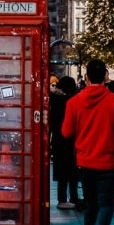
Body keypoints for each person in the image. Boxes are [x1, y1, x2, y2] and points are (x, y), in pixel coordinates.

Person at [62, 57, 114, 225]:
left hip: (85, 162)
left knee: (91, 206)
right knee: (107, 205)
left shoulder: (74, 102)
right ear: (105, 76)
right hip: (109, 162)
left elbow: (66, 132)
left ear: (87, 77)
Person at [49, 75, 81, 209]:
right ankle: (74, 197)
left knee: (62, 173)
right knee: (73, 172)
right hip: (72, 140)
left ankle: (62, 199)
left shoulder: (54, 100)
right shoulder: (73, 100)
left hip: (58, 140)